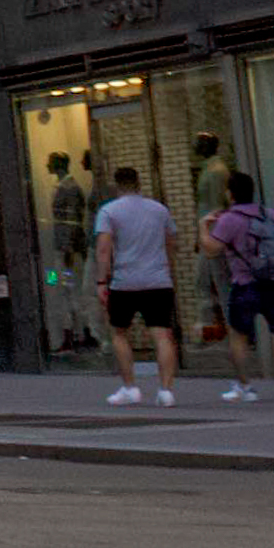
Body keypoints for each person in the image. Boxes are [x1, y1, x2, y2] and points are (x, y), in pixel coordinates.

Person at [89, 164, 180, 401]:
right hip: (158, 281)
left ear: (117, 185)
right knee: (162, 335)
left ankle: (130, 388)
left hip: (125, 282)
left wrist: (101, 281)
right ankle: (166, 390)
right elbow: (171, 243)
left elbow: (103, 249)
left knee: (119, 333)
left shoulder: (109, 211)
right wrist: (169, 270)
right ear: (139, 183)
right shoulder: (159, 210)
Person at [202, 181, 274, 401]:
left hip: (245, 283)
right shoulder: (267, 213)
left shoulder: (229, 219)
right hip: (273, 280)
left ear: (230, 194)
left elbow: (212, 250)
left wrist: (202, 226)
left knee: (238, 336)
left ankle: (245, 386)